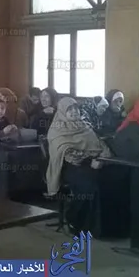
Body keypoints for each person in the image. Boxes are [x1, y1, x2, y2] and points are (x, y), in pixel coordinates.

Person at [46, 97, 111, 234]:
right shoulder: (57, 129)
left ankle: (98, 226)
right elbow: (70, 156)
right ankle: (73, 218)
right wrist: (90, 158)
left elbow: (99, 144)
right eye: (69, 109)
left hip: (91, 164)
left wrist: (101, 159)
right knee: (88, 185)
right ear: (62, 112)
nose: (74, 111)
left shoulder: (83, 126)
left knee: (109, 179)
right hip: (67, 167)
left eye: (76, 108)